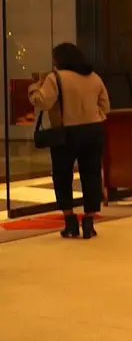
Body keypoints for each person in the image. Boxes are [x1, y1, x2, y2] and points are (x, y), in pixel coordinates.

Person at [29, 43, 111, 239]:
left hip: (66, 133)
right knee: (91, 174)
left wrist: (34, 87)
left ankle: (70, 222)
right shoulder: (94, 77)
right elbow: (105, 106)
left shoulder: (55, 77)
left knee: (62, 175)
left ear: (60, 59)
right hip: (94, 130)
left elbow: (43, 102)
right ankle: (89, 222)